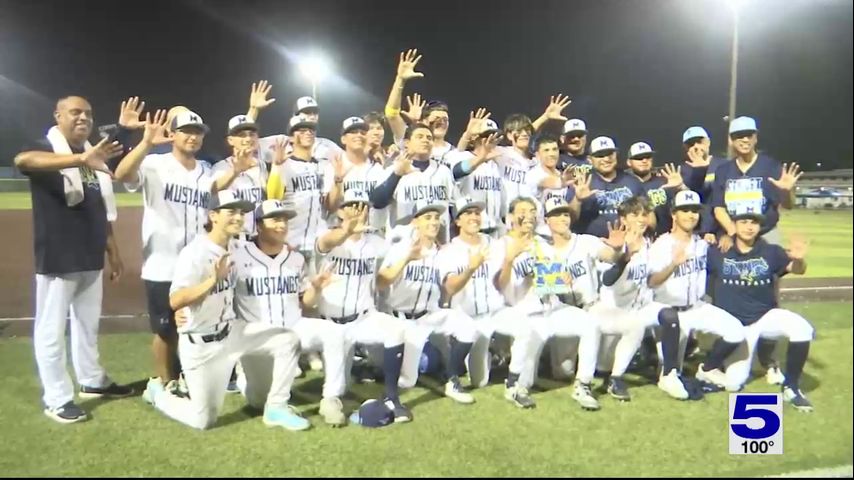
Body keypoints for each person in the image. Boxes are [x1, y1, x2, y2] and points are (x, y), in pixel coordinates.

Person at [142, 191, 306, 431]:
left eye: (241, 212)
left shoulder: (237, 247)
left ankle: (276, 408)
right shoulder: (195, 252)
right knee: (203, 420)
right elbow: (176, 299)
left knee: (287, 339)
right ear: (213, 216)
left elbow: (262, 251)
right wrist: (211, 281)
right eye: (231, 212)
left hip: (233, 332)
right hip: (202, 344)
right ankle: (158, 394)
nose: (238, 217)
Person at [15, 95, 132, 423]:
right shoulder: (47, 146)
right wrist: (80, 159)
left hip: (90, 255)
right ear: (58, 115)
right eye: (75, 112)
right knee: (51, 330)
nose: (83, 118)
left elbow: (99, 207)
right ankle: (56, 397)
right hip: (59, 256)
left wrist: (113, 250)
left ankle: (92, 380)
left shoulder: (92, 155)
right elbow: (24, 160)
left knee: (86, 325)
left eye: (89, 114)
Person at [115, 107, 245, 395]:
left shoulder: (205, 170)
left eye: (197, 133)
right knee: (165, 329)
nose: (193, 137)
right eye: (186, 131)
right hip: (162, 262)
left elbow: (213, 188)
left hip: (196, 263)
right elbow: (122, 174)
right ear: (172, 134)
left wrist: (235, 171)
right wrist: (146, 142)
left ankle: (188, 375)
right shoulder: (154, 164)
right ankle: (163, 381)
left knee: (195, 319)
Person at [231, 199, 350, 426]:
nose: (282, 225)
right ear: (258, 225)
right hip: (259, 336)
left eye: (285, 220)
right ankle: (244, 378)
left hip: (294, 326)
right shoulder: (238, 257)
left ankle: (331, 398)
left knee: (334, 331)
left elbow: (306, 303)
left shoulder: (295, 258)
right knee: (257, 400)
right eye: (275, 219)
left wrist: (315, 288)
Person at [493, 197, 604, 410]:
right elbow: (500, 286)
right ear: (510, 217)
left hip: (552, 308)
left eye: (533, 210)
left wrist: (562, 280)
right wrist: (509, 260)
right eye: (523, 210)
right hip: (526, 315)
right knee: (526, 382)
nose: (529, 215)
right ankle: (514, 385)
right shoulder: (501, 246)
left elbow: (552, 282)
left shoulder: (543, 244)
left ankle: (583, 385)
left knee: (591, 324)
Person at [315, 190, 413, 423]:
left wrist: (407, 259)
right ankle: (342, 383)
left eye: (362, 206)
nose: (358, 210)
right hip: (332, 326)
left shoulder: (377, 243)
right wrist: (346, 230)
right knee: (337, 391)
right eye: (351, 205)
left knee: (396, 330)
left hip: (363, 318)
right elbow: (325, 243)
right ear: (340, 210)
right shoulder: (327, 236)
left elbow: (381, 280)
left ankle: (391, 396)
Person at [437, 197, 540, 408]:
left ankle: (513, 385)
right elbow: (450, 288)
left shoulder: (495, 244)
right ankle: (464, 369)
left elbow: (501, 284)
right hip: (468, 317)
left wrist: (509, 260)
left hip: (495, 311)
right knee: (480, 380)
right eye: (468, 213)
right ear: (458, 221)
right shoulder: (448, 250)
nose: (474, 217)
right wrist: (471, 268)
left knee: (526, 329)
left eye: (477, 213)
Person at [708, 210, 815, 410]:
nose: (749, 227)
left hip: (765, 317)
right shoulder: (718, 250)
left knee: (802, 328)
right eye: (744, 222)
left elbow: (797, 269)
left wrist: (799, 259)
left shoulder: (771, 251)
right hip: (736, 327)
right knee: (733, 383)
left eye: (754, 223)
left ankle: (791, 387)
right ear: (734, 224)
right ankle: (725, 363)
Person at [377, 200, 479, 404]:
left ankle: (452, 380)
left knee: (468, 327)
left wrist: (470, 269)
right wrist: (406, 259)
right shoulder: (401, 248)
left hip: (431, 315)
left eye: (436, 218)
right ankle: (379, 370)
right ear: (415, 222)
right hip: (402, 319)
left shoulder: (443, 253)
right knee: (408, 381)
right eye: (427, 218)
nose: (434, 222)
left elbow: (449, 288)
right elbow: (381, 282)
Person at [647, 190, 747, 384]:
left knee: (736, 331)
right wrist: (673, 265)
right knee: (671, 371)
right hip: (670, 314)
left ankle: (708, 368)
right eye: (685, 210)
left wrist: (726, 236)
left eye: (694, 210)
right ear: (673, 214)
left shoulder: (702, 243)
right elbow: (652, 282)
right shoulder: (661, 244)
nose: (691, 215)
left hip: (697, 308)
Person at [598, 196, 690, 400]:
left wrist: (673, 265)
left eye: (644, 214)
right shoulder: (612, 243)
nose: (641, 219)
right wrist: (624, 256)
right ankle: (613, 376)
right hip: (613, 310)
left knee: (670, 316)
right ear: (623, 219)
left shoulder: (650, 244)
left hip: (641, 307)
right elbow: (607, 279)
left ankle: (669, 375)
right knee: (599, 365)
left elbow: (652, 281)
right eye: (634, 214)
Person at [711, 116, 802, 248]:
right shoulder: (723, 171)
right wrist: (733, 232)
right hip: (735, 236)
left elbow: (788, 205)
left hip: (766, 235)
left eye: (749, 135)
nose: (745, 139)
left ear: (756, 138)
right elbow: (719, 208)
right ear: (731, 140)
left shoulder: (771, 166)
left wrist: (786, 192)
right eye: (739, 136)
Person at [265, 115, 335, 273]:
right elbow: (273, 198)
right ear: (291, 137)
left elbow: (330, 205)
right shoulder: (285, 164)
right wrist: (276, 167)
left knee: (317, 293)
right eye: (301, 130)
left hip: (318, 243)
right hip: (291, 243)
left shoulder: (324, 166)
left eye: (311, 129)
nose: (308, 133)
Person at [369, 123, 457, 242]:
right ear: (406, 143)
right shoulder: (393, 169)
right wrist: (397, 175)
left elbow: (454, 208)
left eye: (429, 138)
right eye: (419, 137)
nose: (425, 140)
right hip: (402, 244)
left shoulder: (444, 171)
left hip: (437, 246)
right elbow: (376, 202)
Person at [571, 136, 645, 237]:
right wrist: (577, 200)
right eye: (600, 155)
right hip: (593, 245)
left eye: (610, 154)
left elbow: (649, 218)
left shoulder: (632, 181)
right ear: (589, 159)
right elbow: (570, 218)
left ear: (616, 155)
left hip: (628, 241)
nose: (606, 159)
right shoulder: (581, 182)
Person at [446, 116, 506, 237]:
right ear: (475, 138)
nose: (491, 140)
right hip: (470, 229)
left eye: (495, 136)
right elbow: (457, 171)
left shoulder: (495, 164)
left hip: (494, 230)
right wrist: (480, 158)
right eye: (487, 136)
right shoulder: (462, 156)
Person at [211, 115, 268, 239]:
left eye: (251, 134)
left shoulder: (262, 166)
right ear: (230, 140)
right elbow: (211, 192)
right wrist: (235, 172)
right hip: (235, 238)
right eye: (242, 135)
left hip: (260, 239)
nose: (248, 138)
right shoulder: (220, 167)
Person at [625, 141, 685, 236]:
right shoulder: (623, 185)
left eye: (648, 157)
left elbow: (689, 204)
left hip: (666, 237)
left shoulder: (665, 182)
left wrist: (681, 187)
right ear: (629, 162)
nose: (644, 160)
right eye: (639, 158)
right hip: (634, 237)